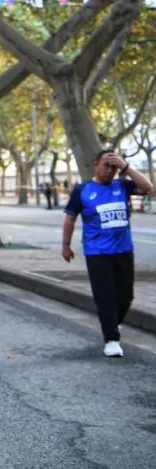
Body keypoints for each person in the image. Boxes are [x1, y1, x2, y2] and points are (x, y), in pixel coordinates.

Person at [62, 150, 152, 357]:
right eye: (106, 165)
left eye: (113, 167)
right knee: (105, 296)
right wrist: (66, 245)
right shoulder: (82, 190)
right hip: (97, 252)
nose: (110, 170)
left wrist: (125, 167)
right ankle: (111, 339)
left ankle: (112, 323)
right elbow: (70, 218)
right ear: (95, 165)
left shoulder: (122, 186)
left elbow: (148, 187)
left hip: (124, 250)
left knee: (126, 296)